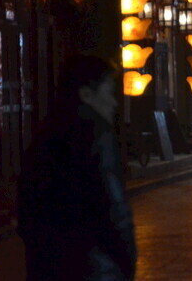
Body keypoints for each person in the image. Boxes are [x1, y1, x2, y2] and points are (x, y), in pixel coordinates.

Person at [17, 55, 137, 281]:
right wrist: (126, 263)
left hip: (48, 268)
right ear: (86, 94)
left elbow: (26, 214)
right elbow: (113, 210)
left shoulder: (44, 135)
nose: (114, 103)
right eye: (109, 92)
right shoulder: (96, 134)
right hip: (95, 268)